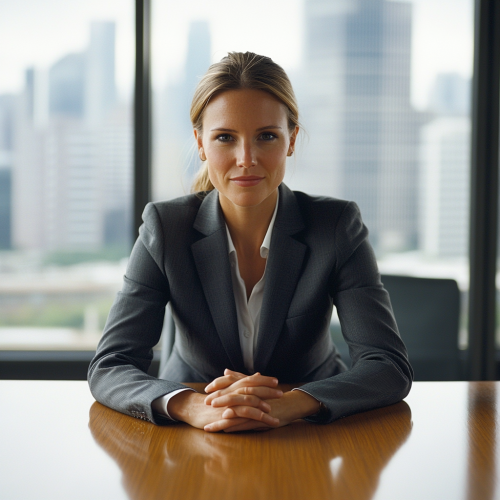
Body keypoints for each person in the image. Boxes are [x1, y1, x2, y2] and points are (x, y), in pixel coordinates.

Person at [88, 51, 413, 433]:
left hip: (308, 429)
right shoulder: (165, 227)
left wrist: (290, 404)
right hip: (192, 428)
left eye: (266, 136)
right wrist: (191, 405)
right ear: (200, 143)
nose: (246, 159)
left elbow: (387, 366)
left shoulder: (336, 226)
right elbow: (111, 365)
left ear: (291, 140)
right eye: (225, 137)